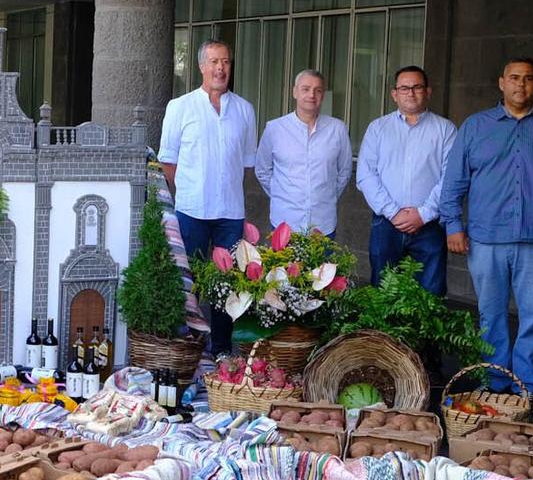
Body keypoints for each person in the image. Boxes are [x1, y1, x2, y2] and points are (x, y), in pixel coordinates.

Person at [439, 56, 533, 403]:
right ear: (501, 83)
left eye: (529, 78)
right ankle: (495, 382)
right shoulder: (475, 127)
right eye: (514, 78)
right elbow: (454, 180)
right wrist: (453, 224)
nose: (521, 84)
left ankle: (526, 386)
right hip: (486, 239)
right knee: (491, 316)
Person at [158, 39, 257, 358]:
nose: (220, 68)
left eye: (226, 62)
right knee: (188, 282)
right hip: (191, 210)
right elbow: (167, 161)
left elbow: (245, 163)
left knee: (226, 284)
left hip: (230, 213)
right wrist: (187, 190)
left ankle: (222, 349)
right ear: (201, 66)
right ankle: (185, 346)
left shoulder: (244, 109)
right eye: (214, 62)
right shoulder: (181, 106)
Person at [356, 65, 458, 295]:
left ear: (428, 91)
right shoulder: (378, 128)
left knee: (430, 294)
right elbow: (365, 175)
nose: (410, 93)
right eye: (404, 88)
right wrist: (394, 212)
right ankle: (383, 334)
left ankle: (423, 334)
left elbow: (450, 178)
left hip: (429, 224)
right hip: (386, 223)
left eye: (417, 87)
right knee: (383, 293)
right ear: (394, 94)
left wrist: (423, 214)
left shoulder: (445, 129)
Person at [254, 69, 351, 235]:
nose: (311, 95)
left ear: (323, 95)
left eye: (318, 90)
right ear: (295, 92)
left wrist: (323, 197)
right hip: (285, 222)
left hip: (323, 224)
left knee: (323, 262)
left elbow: (344, 172)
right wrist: (282, 195)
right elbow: (262, 170)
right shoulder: (275, 129)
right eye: (305, 89)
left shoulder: (338, 129)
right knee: (282, 263)